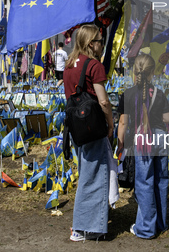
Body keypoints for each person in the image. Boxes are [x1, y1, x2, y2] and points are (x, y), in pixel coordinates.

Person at [63, 25, 115, 242]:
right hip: (94, 126)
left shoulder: (69, 65)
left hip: (76, 126)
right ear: (90, 42)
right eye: (100, 40)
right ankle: (85, 228)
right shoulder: (94, 65)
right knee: (95, 175)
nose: (102, 44)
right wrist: (110, 123)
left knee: (87, 171)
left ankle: (88, 223)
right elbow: (103, 101)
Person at [117, 54, 169, 239]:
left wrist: (120, 144)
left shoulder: (128, 94)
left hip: (143, 140)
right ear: (152, 72)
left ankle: (146, 228)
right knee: (161, 180)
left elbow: (123, 123)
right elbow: (167, 119)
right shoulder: (160, 93)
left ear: (135, 72)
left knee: (144, 182)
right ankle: (161, 223)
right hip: (161, 139)